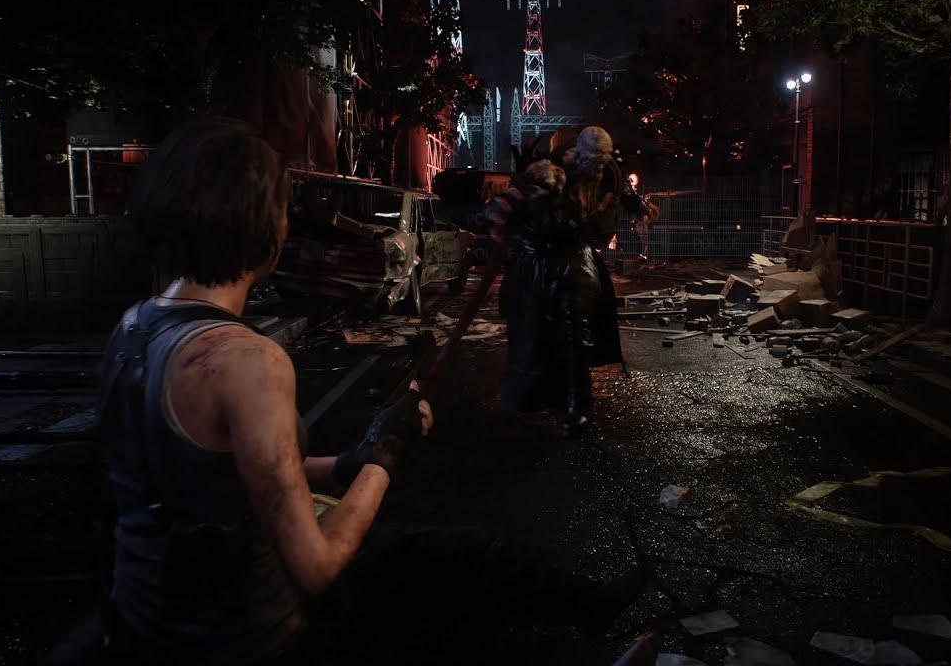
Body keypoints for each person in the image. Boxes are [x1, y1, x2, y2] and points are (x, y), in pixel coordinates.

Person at [96, 117, 644, 664]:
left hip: (145, 627)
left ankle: (588, 605)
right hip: (255, 638)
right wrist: (385, 456)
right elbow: (318, 567)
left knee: (451, 551)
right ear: (261, 222)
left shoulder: (135, 328)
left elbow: (223, 475)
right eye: (283, 206)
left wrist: (349, 462)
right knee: (451, 583)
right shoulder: (247, 362)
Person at [491, 126, 658, 438]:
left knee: (575, 332)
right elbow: (516, 197)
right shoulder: (553, 171)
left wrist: (638, 207)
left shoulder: (607, 173)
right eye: (594, 160)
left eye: (603, 160)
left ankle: (576, 404)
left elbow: (622, 191)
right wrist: (495, 222)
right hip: (539, 257)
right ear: (581, 155)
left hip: (574, 256)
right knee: (532, 328)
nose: (599, 166)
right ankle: (535, 393)